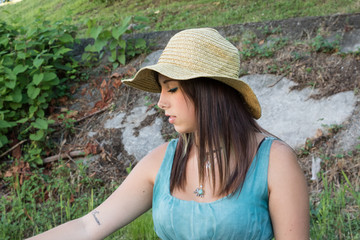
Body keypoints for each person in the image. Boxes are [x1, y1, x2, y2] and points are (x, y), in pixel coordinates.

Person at [28, 28, 309, 240]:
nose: (161, 102)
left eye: (171, 88)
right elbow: (89, 225)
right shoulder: (163, 160)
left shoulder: (274, 161)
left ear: (209, 91)